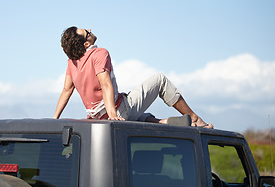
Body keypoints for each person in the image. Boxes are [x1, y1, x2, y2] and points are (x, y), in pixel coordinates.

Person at [53, 26, 213, 128]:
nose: (89, 29)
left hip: (97, 117)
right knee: (160, 80)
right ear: (86, 44)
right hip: (116, 111)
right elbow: (105, 84)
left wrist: (54, 119)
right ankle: (195, 118)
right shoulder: (99, 53)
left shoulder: (72, 63)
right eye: (86, 32)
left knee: (134, 107)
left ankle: (162, 122)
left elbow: (66, 90)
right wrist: (113, 116)